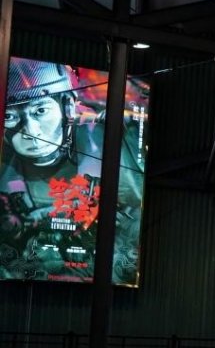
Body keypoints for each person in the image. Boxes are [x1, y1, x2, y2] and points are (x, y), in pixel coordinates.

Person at [0, 58, 143, 283]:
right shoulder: (5, 173)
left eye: (40, 110)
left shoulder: (110, 141)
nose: (31, 132)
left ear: (67, 106)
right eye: (10, 116)